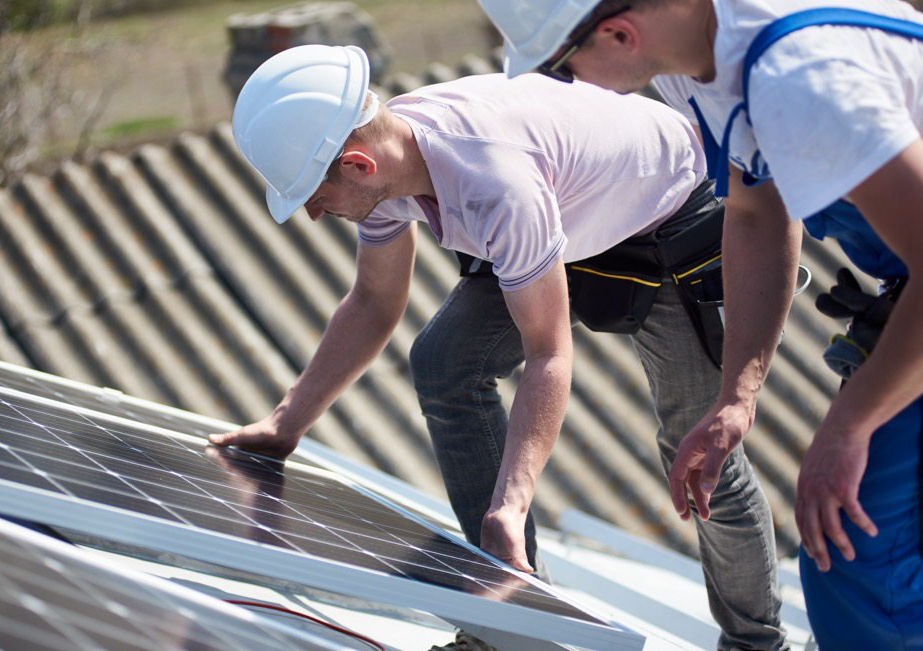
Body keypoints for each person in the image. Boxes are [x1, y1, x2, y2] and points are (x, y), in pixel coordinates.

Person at [208, 43, 785, 650]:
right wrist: (285, 423)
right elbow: (375, 302)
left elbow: (549, 354)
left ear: (357, 164)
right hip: (558, 209)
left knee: (697, 449)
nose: (315, 216)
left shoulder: (491, 181)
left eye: (313, 197)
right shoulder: (390, 165)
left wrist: (510, 501)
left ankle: (756, 642)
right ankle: (511, 626)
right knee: (444, 362)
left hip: (660, 211)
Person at [477, 0, 923, 647]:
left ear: (617, 34)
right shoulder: (699, 62)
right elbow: (755, 213)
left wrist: (846, 428)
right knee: (850, 556)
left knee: (858, 564)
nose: (572, 85)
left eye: (562, 65)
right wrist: (735, 398)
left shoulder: (795, 75)